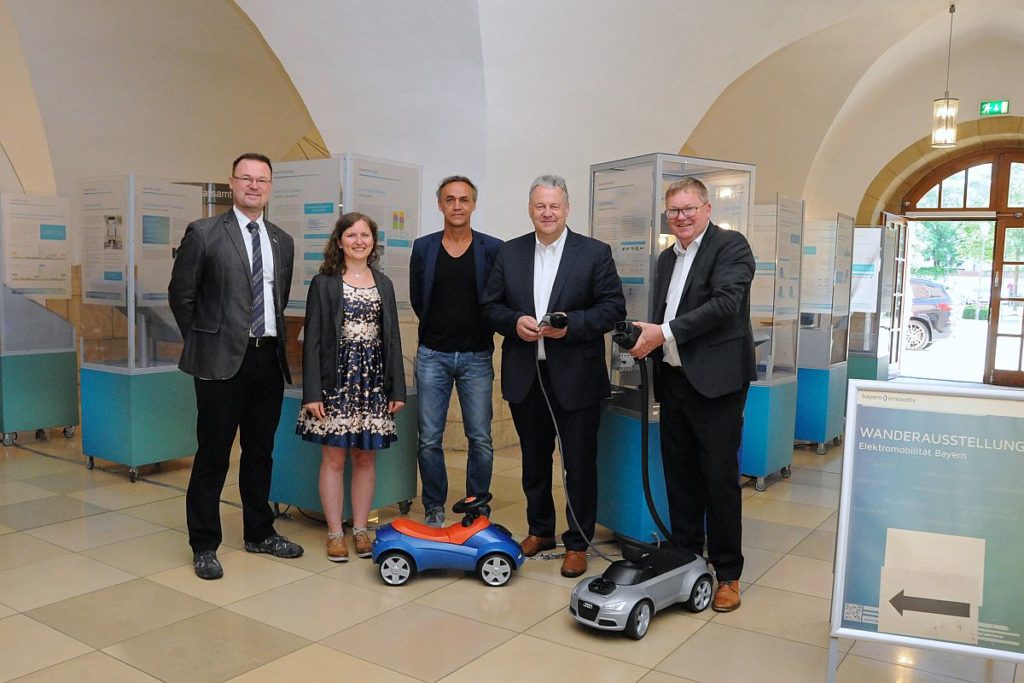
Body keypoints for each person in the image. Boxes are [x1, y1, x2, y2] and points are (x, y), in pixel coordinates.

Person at [482, 174, 625, 578]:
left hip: (576, 377)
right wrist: (514, 323)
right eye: (540, 206)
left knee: (579, 464)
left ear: (567, 209)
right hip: (526, 375)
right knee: (533, 461)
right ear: (530, 210)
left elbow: (613, 307)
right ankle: (540, 530)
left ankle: (577, 542)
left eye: (554, 206)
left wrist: (572, 324)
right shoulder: (509, 253)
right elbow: (490, 306)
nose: (547, 212)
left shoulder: (594, 253)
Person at [169, 152, 303, 580]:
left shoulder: (282, 240)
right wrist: (205, 341)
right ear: (231, 183)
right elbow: (181, 296)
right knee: (212, 456)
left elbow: (277, 302)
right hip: (220, 362)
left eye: (261, 180)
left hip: (267, 357)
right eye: (246, 178)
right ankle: (204, 544)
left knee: (261, 451)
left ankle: (259, 532)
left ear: (270, 187)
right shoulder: (205, 233)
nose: (254, 186)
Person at [625, 177, 756, 612]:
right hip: (676, 380)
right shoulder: (667, 258)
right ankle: (685, 559)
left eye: (688, 209)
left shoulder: (731, 247)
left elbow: (724, 306)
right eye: (673, 212)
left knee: (718, 479)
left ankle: (728, 574)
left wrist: (660, 333)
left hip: (718, 384)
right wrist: (646, 338)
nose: (680, 218)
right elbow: (666, 315)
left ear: (707, 208)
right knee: (678, 474)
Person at [297, 212, 406, 561]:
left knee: (365, 458)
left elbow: (394, 339)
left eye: (365, 235)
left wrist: (397, 390)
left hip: (373, 382)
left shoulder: (384, 283)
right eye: (352, 235)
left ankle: (360, 529)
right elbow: (311, 340)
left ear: (373, 242)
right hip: (335, 381)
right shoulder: (324, 282)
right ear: (339, 241)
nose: (359, 241)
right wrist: (312, 392)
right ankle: (334, 533)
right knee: (333, 458)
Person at [410, 176, 502, 527]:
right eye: (451, 199)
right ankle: (434, 504)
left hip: (477, 356)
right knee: (429, 437)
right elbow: (420, 299)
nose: (458, 205)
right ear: (440, 205)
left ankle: (476, 504)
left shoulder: (493, 248)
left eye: (464, 199)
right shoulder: (424, 248)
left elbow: (498, 298)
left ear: (474, 204)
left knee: (480, 437)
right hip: (433, 354)